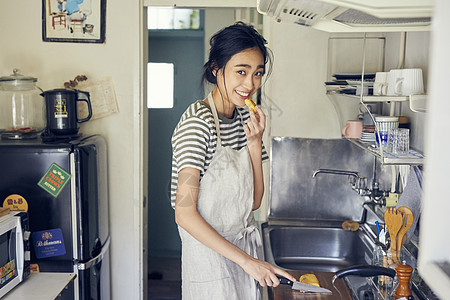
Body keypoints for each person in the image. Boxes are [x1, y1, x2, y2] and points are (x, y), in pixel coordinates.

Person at [170, 22, 296, 299]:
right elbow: (184, 213)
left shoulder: (244, 120)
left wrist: (254, 143)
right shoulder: (197, 124)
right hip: (210, 260)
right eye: (241, 71)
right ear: (216, 69)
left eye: (257, 73)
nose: (250, 84)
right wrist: (247, 261)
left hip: (244, 255)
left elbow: (253, 202)